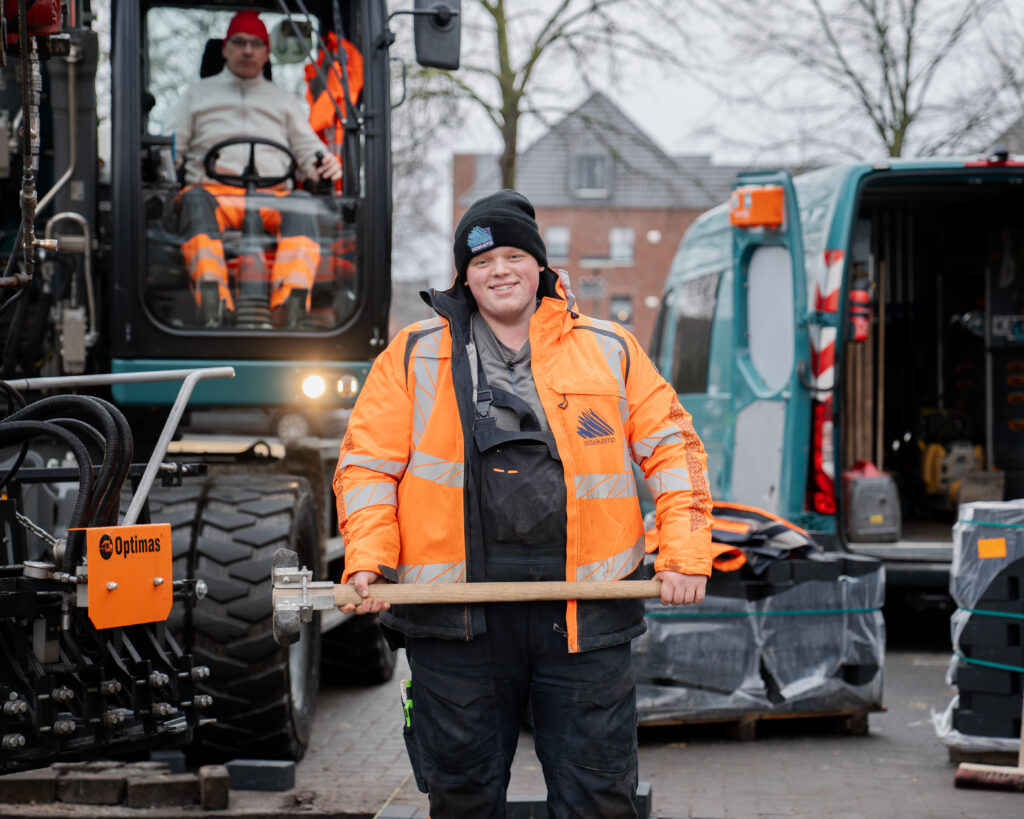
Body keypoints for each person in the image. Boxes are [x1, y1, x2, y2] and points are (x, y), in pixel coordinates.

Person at [333, 189, 714, 818]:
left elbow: (675, 451)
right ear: (464, 275)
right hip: (454, 617)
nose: (499, 271)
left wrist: (684, 554)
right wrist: (368, 563)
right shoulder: (412, 355)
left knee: (597, 796)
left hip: (585, 613)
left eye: (514, 255)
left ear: (541, 266)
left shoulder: (610, 349)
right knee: (462, 797)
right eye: (482, 261)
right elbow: (367, 466)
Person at [167, 10, 343, 324]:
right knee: (192, 200)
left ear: (266, 52)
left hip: (271, 198)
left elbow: (309, 151)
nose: (247, 50)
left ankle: (290, 300)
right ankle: (213, 300)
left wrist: (325, 163)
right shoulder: (195, 95)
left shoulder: (285, 102)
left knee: (303, 204)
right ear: (225, 49)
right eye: (239, 42)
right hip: (212, 194)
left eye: (255, 44)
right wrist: (164, 164)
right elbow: (171, 148)